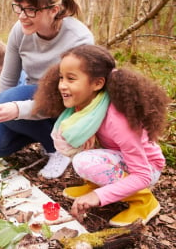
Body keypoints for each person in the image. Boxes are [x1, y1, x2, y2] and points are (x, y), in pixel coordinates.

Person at [32, 44, 169, 227]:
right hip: (120, 159)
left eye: (71, 79)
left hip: (147, 168)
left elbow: (142, 174)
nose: (62, 85)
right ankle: (96, 183)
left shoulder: (118, 120)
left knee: (85, 161)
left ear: (97, 83)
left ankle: (144, 202)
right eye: (61, 78)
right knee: (79, 149)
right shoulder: (87, 106)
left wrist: (98, 196)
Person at [0, 0, 94, 179]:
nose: (22, 16)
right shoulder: (19, 31)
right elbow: (8, 79)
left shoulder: (79, 40)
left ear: (53, 10)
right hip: (31, 100)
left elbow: (70, 97)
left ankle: (57, 148)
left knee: (9, 101)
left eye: (30, 10)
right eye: (19, 7)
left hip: (65, 105)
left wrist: (16, 108)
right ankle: (37, 132)